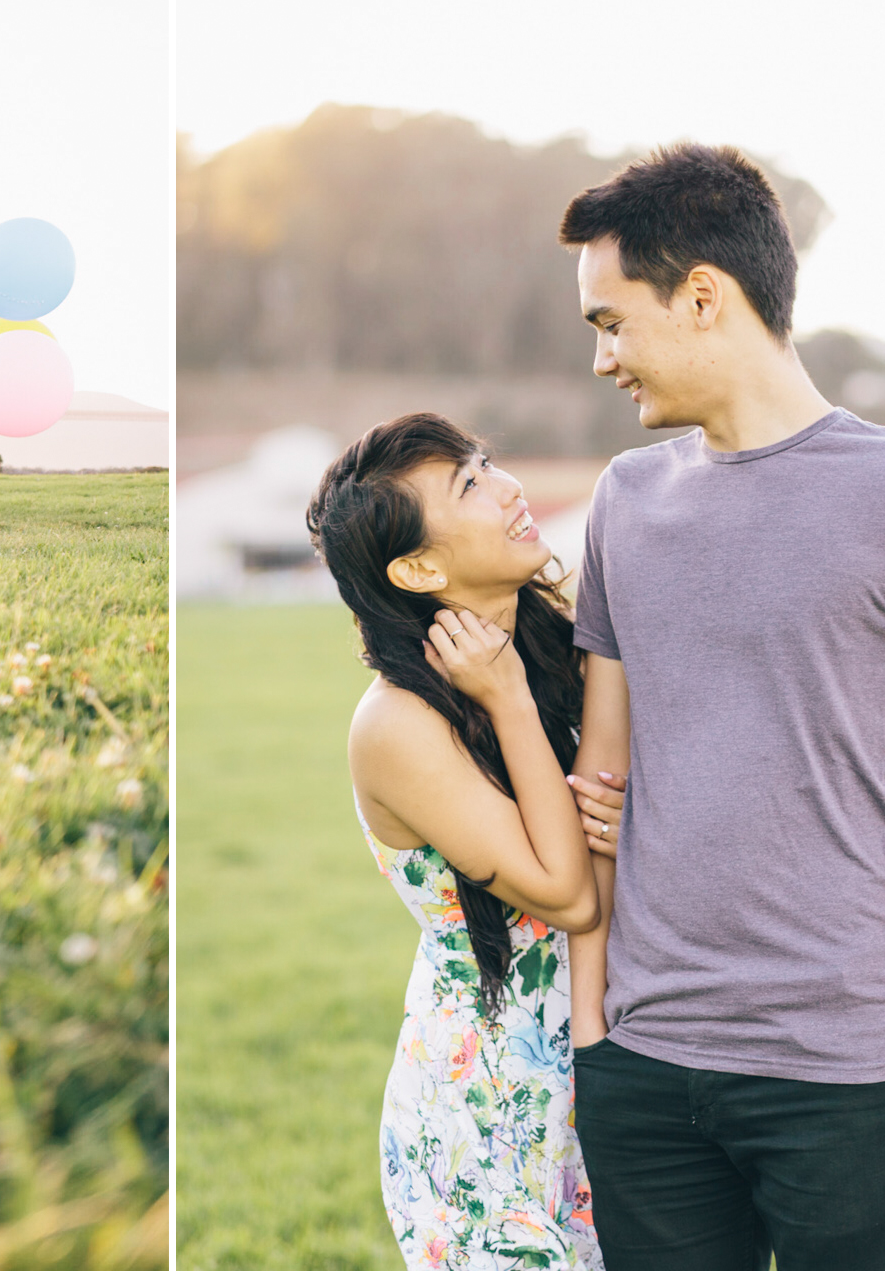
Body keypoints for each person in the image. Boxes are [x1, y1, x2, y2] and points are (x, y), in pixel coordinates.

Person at [558, 145, 885, 1270]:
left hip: (842, 1075)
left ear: (703, 295)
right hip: (647, 1075)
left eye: (612, 322)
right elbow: (601, 782)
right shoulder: (624, 500)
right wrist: (594, 1045)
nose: (605, 358)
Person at [307, 412, 625, 1271]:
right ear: (418, 569)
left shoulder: (554, 642)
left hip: (607, 1076)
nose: (509, 489)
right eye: (471, 486)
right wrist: (510, 699)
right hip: (484, 1120)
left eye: (485, 464)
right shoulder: (398, 725)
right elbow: (566, 893)